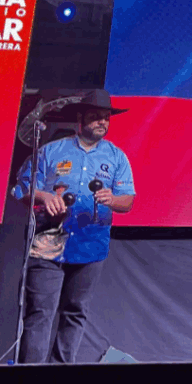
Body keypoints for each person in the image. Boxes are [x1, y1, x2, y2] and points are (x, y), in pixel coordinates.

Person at [13, 89, 136, 363]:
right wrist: (44, 197)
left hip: (91, 245)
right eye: (95, 116)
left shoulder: (117, 157)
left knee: (75, 312)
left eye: (106, 118)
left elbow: (127, 201)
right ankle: (29, 375)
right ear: (80, 118)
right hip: (49, 240)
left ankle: (60, 372)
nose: (102, 122)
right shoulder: (51, 151)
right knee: (39, 312)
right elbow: (21, 190)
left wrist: (113, 199)